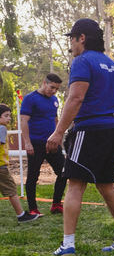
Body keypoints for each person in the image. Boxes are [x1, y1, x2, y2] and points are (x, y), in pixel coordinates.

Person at [45, 18, 114, 255]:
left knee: (75, 185)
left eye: (72, 40)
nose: (72, 45)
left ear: (82, 38)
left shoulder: (82, 61)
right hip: (111, 131)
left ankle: (68, 244)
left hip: (89, 129)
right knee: (107, 186)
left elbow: (75, 99)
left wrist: (58, 132)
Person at [19, 72, 67, 217]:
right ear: (44, 83)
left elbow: (56, 120)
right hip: (35, 143)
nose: (54, 91)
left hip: (52, 144)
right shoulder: (30, 98)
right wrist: (27, 143)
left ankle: (56, 204)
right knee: (33, 176)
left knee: (64, 172)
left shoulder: (54, 100)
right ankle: (33, 208)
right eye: (52, 87)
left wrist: (59, 139)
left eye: (56, 89)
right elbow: (24, 121)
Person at [0, 105, 36, 222]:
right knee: (12, 191)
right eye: (6, 116)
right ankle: (21, 215)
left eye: (9, 116)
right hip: (1, 167)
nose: (9, 118)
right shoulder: (2, 128)